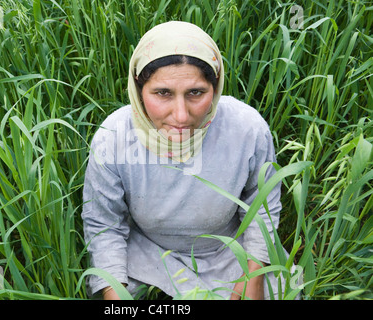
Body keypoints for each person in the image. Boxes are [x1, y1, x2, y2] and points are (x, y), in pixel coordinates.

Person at [81, 21, 283, 300]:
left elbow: (263, 207)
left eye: (196, 93)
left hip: (226, 250)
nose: (181, 115)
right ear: (139, 90)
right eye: (163, 93)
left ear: (215, 87)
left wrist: (253, 275)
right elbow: (104, 224)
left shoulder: (247, 129)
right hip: (146, 251)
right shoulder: (113, 137)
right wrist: (115, 297)